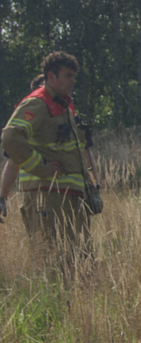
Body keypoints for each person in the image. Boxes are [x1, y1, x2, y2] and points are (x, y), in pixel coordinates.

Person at [1, 54, 92, 267]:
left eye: (74, 76)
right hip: (47, 197)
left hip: (70, 197)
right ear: (51, 77)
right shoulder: (38, 103)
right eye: (68, 75)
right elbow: (10, 138)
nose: (73, 81)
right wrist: (42, 168)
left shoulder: (63, 106)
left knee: (80, 260)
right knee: (53, 261)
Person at [0, 75, 44, 222]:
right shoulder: (26, 124)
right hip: (34, 192)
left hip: (66, 192)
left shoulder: (66, 116)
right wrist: (2, 197)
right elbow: (12, 164)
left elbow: (84, 154)